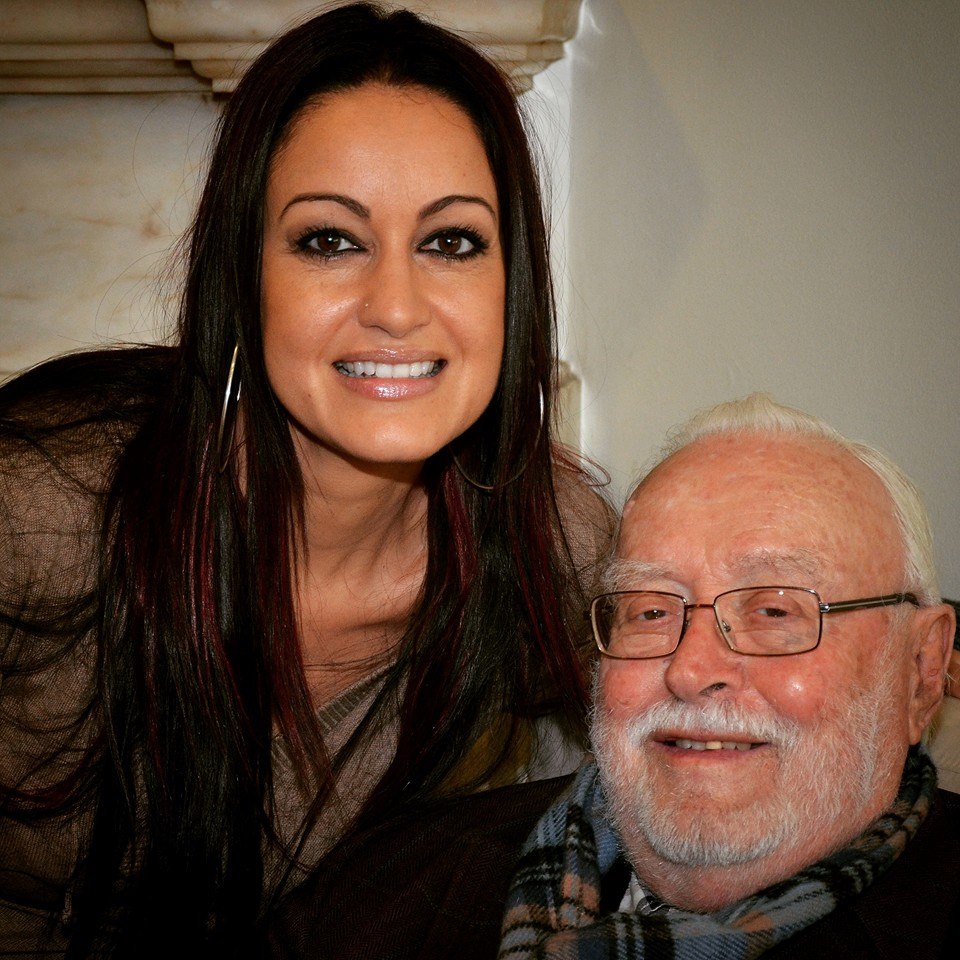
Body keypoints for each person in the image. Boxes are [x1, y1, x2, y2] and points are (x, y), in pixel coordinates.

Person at [0, 4, 612, 957]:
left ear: (512, 284)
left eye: (451, 242)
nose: (396, 308)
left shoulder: (553, 542)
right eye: (330, 240)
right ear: (243, 277)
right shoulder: (42, 505)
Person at [269, 394, 959, 960]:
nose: (690, 670)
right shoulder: (389, 884)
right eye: (650, 610)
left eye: (774, 610)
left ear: (923, 669)